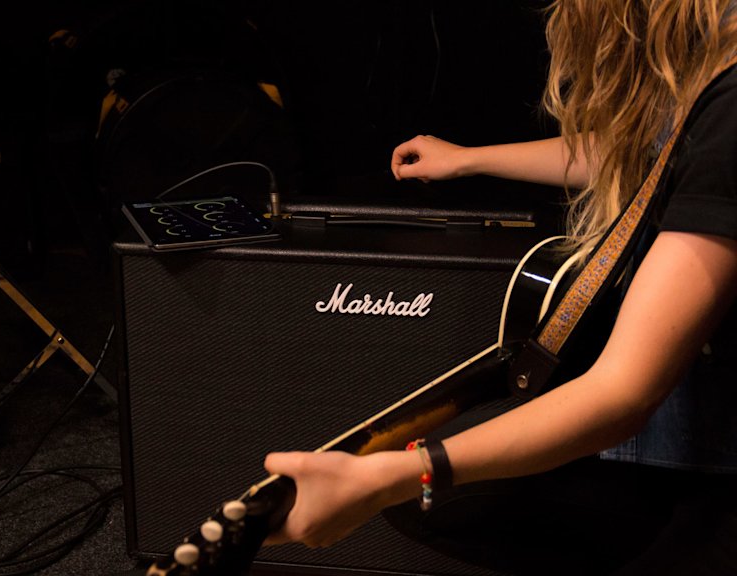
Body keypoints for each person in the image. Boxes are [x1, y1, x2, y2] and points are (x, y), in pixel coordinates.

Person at [262, 1, 737, 574]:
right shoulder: (710, 65)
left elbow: (623, 394)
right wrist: (467, 160)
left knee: (443, 501)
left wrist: (395, 476)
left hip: (707, 457)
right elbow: (638, 152)